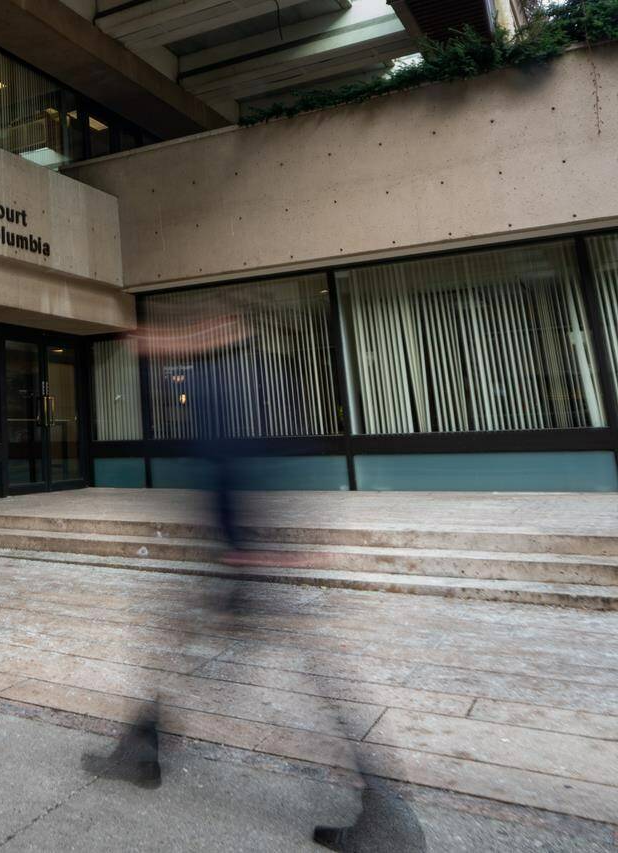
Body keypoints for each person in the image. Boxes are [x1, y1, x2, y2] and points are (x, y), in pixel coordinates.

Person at [80, 291, 424, 851]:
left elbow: (231, 463)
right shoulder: (244, 380)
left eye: (209, 328)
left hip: (246, 554)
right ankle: (140, 750)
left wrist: (252, 550)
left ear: (229, 329)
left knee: (310, 674)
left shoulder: (228, 385)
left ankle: (389, 813)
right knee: (202, 650)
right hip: (245, 550)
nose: (189, 339)